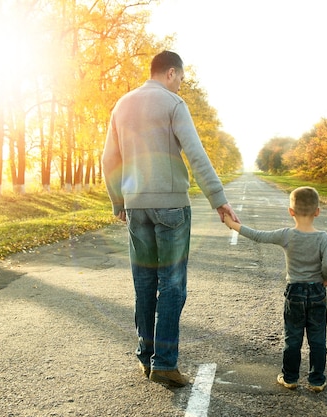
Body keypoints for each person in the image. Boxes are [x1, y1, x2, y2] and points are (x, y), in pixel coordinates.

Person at [102, 51, 239, 388]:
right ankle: (164, 363)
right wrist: (219, 201)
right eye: (180, 79)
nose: (180, 85)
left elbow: (108, 158)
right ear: (171, 72)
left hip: (136, 207)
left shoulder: (122, 105)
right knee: (173, 285)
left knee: (145, 283)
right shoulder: (173, 104)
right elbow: (195, 153)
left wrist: (118, 200)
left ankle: (145, 357)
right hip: (172, 208)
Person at [224, 186, 327, 392]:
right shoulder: (323, 237)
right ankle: (316, 380)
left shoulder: (286, 235)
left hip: (295, 292)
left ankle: (290, 377)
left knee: (293, 337)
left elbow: (258, 235)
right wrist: (325, 278)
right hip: (317, 293)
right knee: (317, 338)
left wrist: (232, 224)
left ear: (290, 211)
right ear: (317, 211)